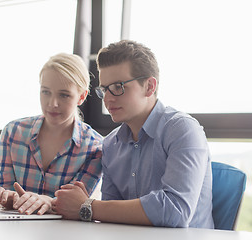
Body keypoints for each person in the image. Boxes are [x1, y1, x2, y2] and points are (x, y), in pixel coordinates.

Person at [52, 40, 214, 228]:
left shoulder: (182, 129)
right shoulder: (111, 144)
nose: (107, 98)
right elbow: (111, 218)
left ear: (149, 87)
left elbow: (175, 212)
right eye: (104, 89)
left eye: (118, 87)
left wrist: (87, 206)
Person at [0, 53, 103, 215]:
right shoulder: (13, 132)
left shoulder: (96, 147)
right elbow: (2, 192)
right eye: (46, 92)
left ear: (81, 96)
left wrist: (48, 202)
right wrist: (6, 197)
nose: (52, 103)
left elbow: (75, 205)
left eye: (64, 95)